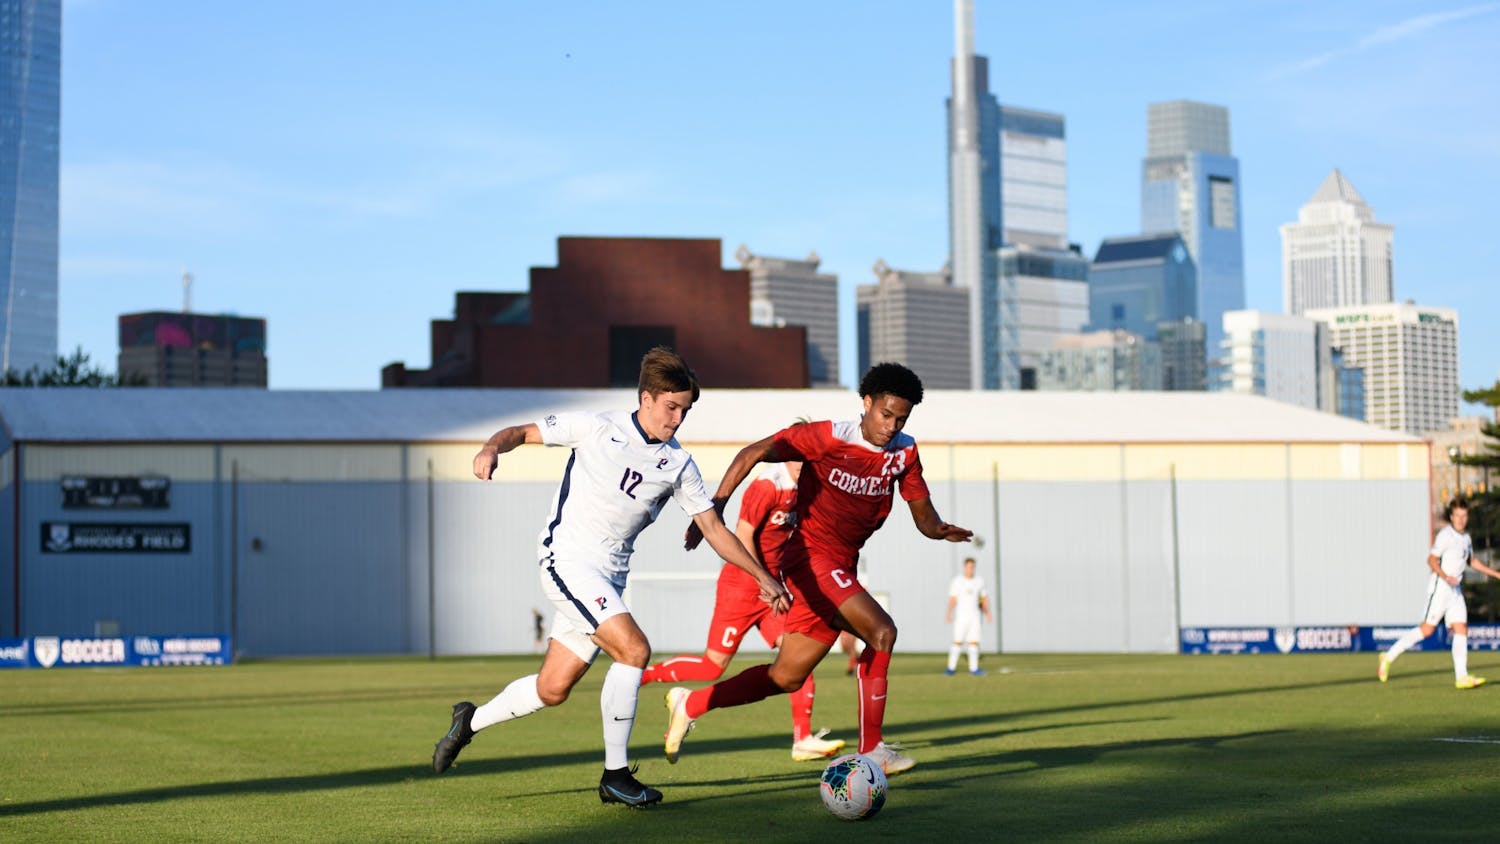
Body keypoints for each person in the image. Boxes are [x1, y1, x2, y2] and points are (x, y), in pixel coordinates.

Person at [430, 347, 791, 808]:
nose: (678, 419)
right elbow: (519, 431)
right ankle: (615, 776)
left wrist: (762, 575)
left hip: (608, 579)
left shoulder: (679, 465)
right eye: (671, 407)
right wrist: (489, 448)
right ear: (646, 398)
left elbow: (714, 528)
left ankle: (470, 720)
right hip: (566, 561)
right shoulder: (597, 427)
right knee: (635, 649)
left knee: (552, 689)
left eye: (686, 410)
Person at [664, 362, 972, 776]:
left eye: (901, 418)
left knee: (786, 677)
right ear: (866, 403)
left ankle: (692, 703)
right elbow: (751, 452)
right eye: (885, 414)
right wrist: (714, 506)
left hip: (840, 566)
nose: (891, 426)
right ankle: (873, 748)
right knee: (882, 631)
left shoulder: (905, 452)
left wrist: (939, 530)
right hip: (809, 557)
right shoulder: (827, 437)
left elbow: (923, 516)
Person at [641, 452, 846, 762]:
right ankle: (645, 677)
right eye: (799, 460)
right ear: (788, 458)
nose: (805, 467)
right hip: (742, 587)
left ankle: (802, 738)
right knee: (712, 666)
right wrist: (761, 578)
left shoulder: (808, 489)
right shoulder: (766, 487)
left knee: (797, 657)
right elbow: (744, 535)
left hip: (772, 591)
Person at [1378, 497, 1500, 689]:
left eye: (1464, 515)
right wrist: (1445, 576)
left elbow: (1471, 562)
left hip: (1455, 590)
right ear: (1451, 517)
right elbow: (1431, 560)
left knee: (1461, 628)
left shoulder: (1466, 539)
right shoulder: (1446, 535)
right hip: (1441, 587)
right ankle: (1388, 655)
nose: (1460, 519)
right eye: (1457, 516)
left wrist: (1496, 574)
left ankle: (1462, 677)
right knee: (1427, 630)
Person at [945, 556, 993, 676]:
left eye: (972, 567)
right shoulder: (958, 581)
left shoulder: (979, 581)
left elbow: (984, 598)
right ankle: (951, 668)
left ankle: (974, 669)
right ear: (964, 567)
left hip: (975, 617)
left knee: (973, 642)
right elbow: (953, 598)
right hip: (961, 616)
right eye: (968, 567)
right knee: (957, 642)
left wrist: (987, 613)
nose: (970, 569)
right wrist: (948, 613)